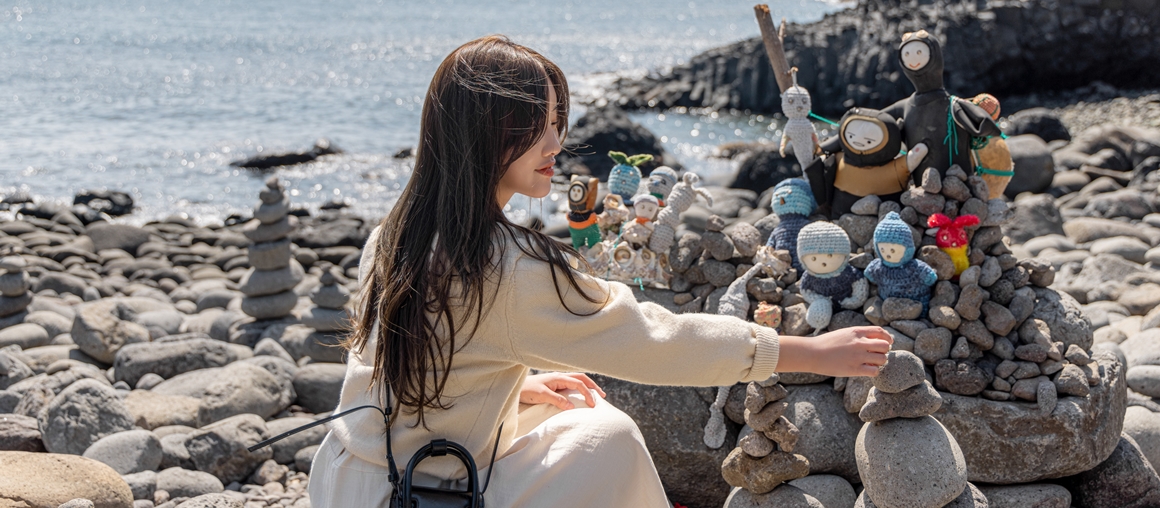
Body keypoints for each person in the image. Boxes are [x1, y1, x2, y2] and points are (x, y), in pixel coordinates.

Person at [308, 35, 892, 508]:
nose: (557, 143)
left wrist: (508, 386)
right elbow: (654, 341)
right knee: (609, 435)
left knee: (571, 410)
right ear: (489, 135)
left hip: (345, 475)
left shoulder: (399, 230)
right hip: (423, 493)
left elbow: (390, 360)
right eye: (539, 125)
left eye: (557, 122)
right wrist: (810, 353)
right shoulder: (510, 264)